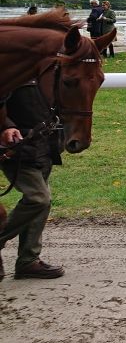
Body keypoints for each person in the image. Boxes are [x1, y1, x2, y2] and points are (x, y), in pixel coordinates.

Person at [0, 81, 66, 280]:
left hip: (44, 145)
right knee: (39, 198)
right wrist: (6, 127)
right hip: (15, 147)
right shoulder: (13, 66)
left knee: (42, 202)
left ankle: (28, 260)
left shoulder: (48, 67)